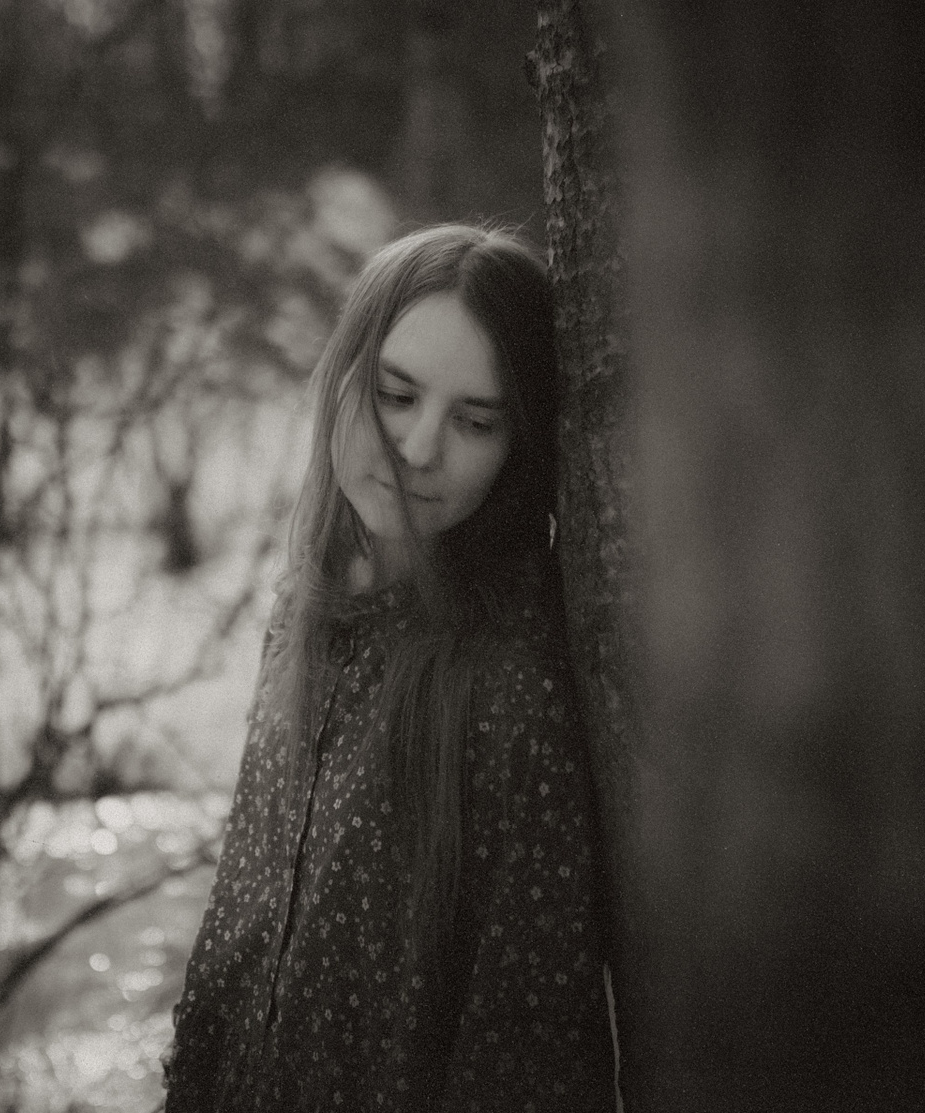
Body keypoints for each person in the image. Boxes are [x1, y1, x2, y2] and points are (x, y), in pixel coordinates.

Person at [163, 224, 612, 1111]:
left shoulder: (510, 688)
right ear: (343, 375)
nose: (417, 448)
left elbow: (525, 1054)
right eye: (396, 395)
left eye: (475, 420)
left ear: (518, 450)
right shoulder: (308, 604)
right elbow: (242, 930)